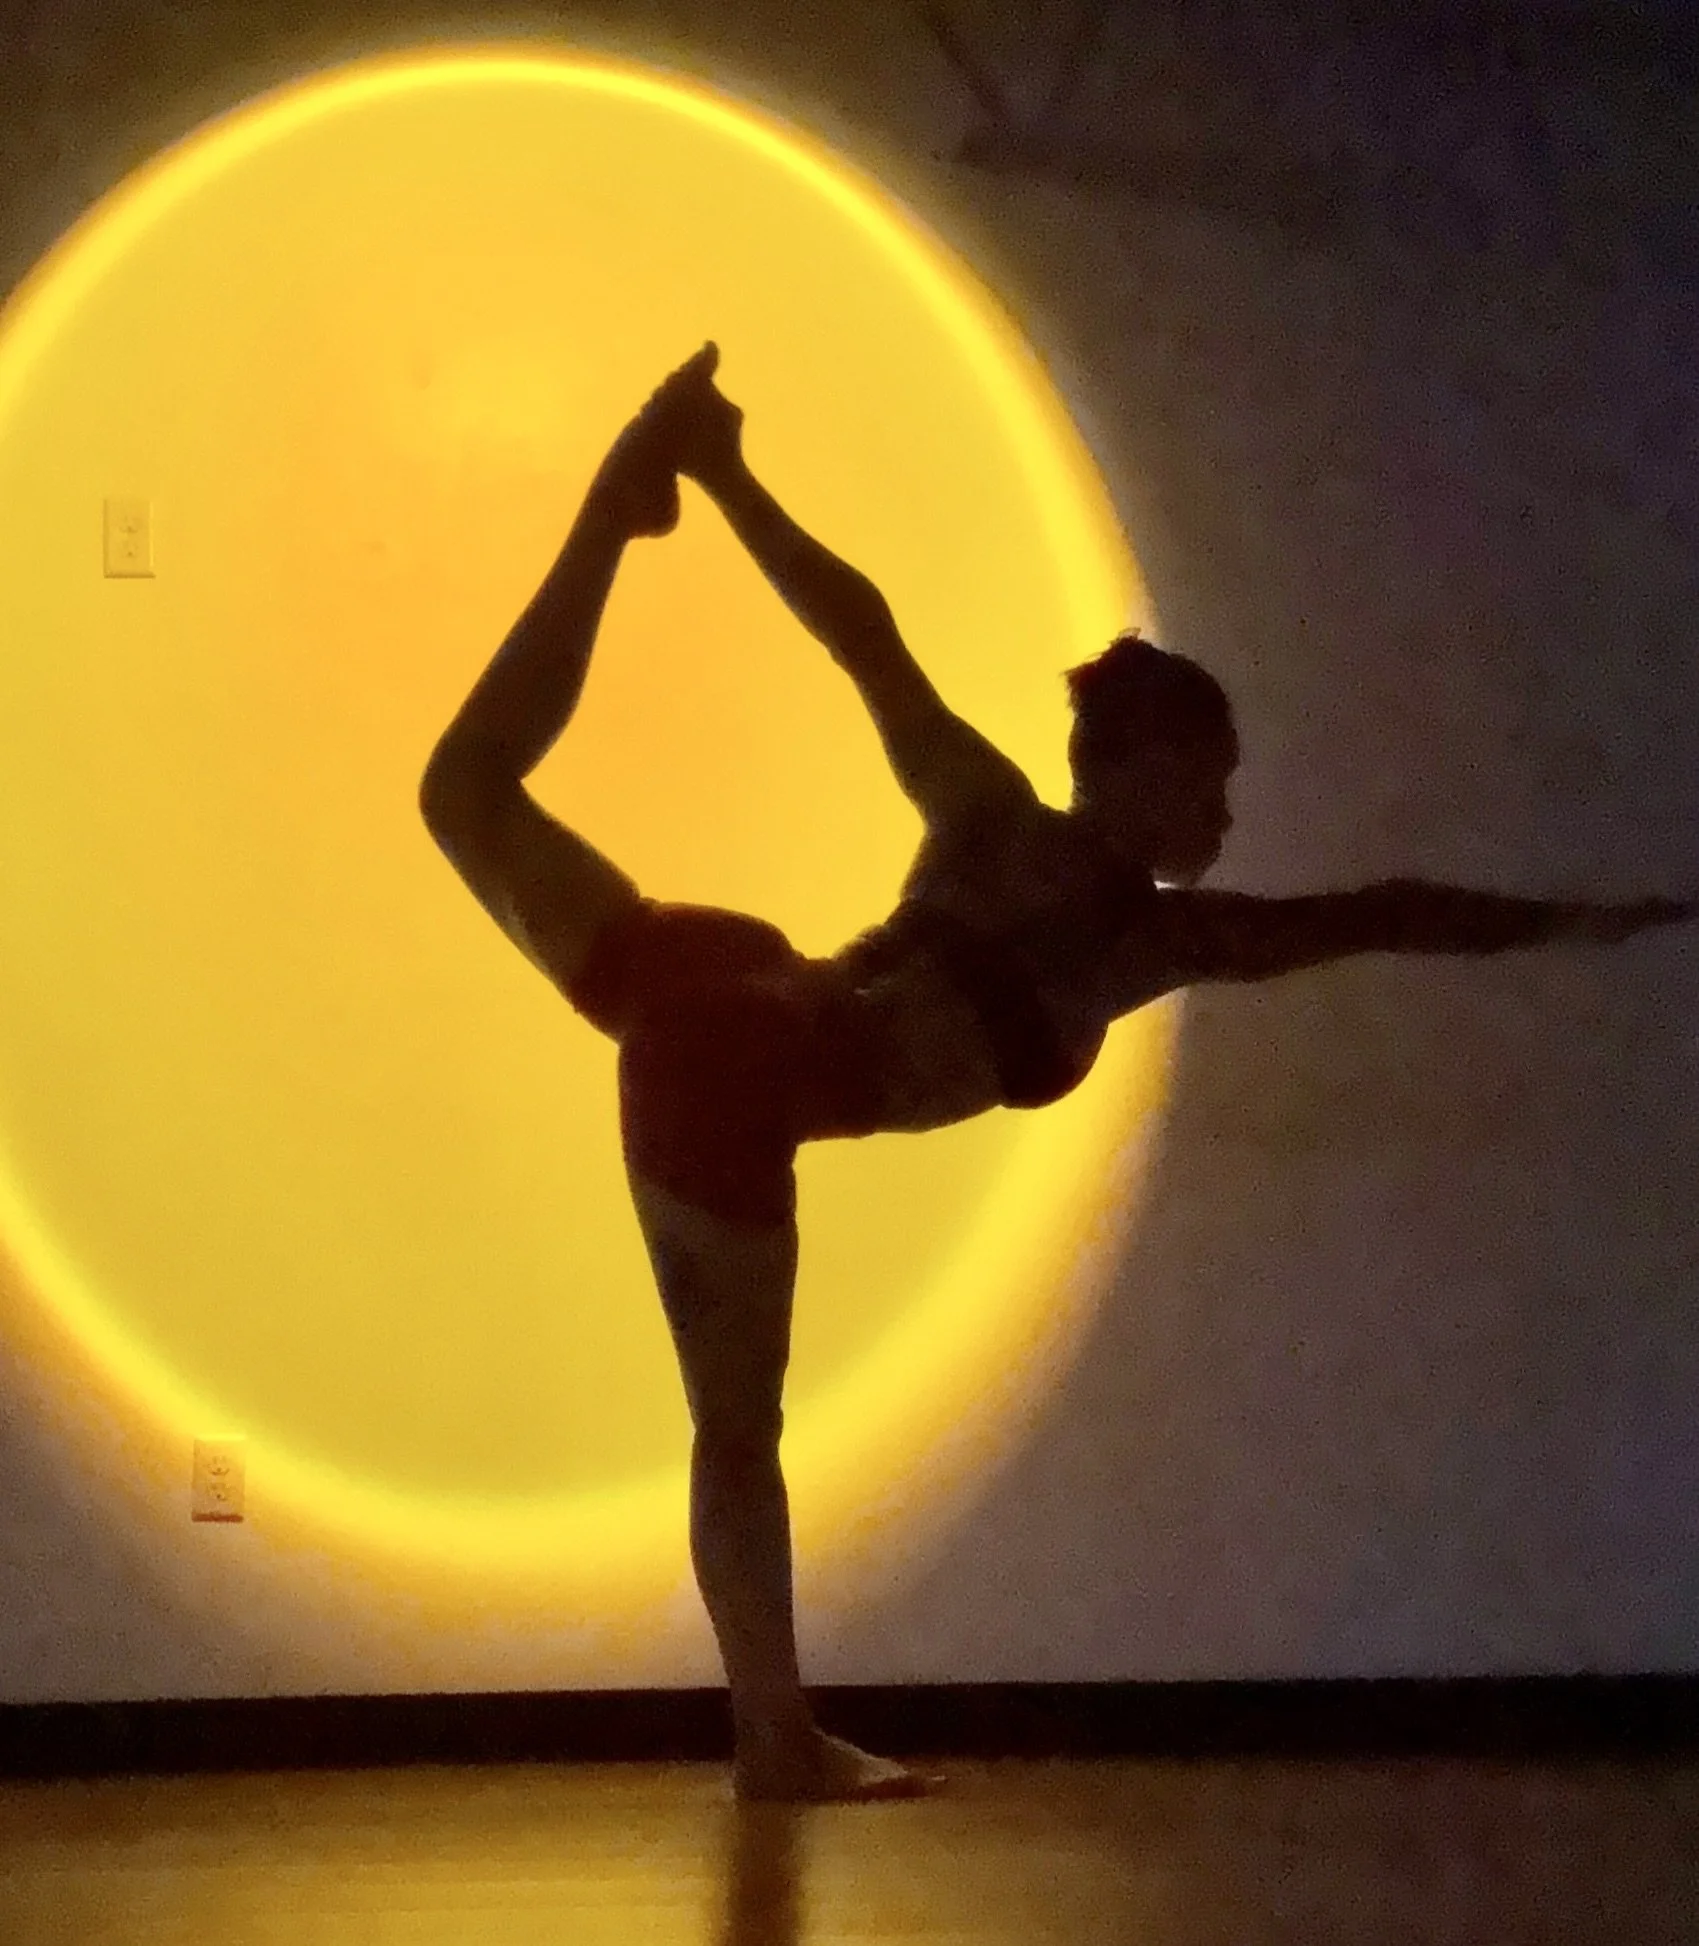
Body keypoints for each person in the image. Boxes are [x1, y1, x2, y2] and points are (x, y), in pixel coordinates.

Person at [419, 344, 1692, 1801]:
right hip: (734, 1066)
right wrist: (1576, 924)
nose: (1222, 807)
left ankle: (623, 503)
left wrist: (728, 476)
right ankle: (776, 1742)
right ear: (1136, 769)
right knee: (736, 1433)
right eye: (1205, 777)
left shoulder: (988, 815)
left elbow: (867, 642)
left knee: (463, 789)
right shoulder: (1131, 938)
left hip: (714, 981)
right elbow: (1377, 912)